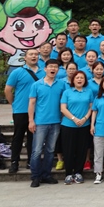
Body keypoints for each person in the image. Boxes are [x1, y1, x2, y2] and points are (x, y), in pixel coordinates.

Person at [5, 48, 44, 174]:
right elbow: (8, 90)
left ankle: (31, 161)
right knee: (18, 136)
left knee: (33, 137)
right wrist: (14, 104)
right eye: (31, 54)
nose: (34, 56)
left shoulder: (44, 72)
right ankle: (14, 162)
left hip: (38, 110)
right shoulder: (17, 72)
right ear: (25, 57)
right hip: (21, 110)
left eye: (36, 54)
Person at [28, 59, 65, 188]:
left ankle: (46, 175)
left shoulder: (61, 84)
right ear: (45, 69)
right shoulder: (36, 85)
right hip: (40, 122)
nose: (53, 69)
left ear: (58, 70)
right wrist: (31, 120)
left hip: (56, 122)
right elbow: (32, 103)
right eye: (50, 67)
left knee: (50, 150)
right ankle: (35, 176)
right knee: (37, 150)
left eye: (55, 67)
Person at [60, 70, 93, 185]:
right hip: (68, 125)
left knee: (82, 150)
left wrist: (85, 118)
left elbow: (91, 107)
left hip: (84, 125)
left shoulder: (88, 92)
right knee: (68, 150)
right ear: (73, 80)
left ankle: (79, 172)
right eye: (77, 78)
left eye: (82, 78)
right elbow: (63, 108)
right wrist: (74, 119)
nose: (79, 80)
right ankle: (69, 173)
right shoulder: (67, 92)